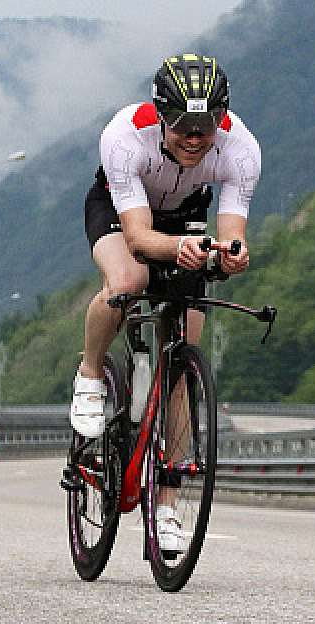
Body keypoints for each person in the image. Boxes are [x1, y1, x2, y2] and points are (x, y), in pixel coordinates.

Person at [75, 53, 260, 551]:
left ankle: (168, 505)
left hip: (185, 216)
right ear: (160, 114)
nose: (195, 138)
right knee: (129, 279)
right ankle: (92, 371)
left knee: (182, 354)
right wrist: (179, 249)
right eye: (181, 126)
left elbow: (232, 231)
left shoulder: (241, 149)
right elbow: (137, 237)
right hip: (122, 210)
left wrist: (233, 255)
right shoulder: (124, 137)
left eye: (205, 127)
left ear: (221, 119)